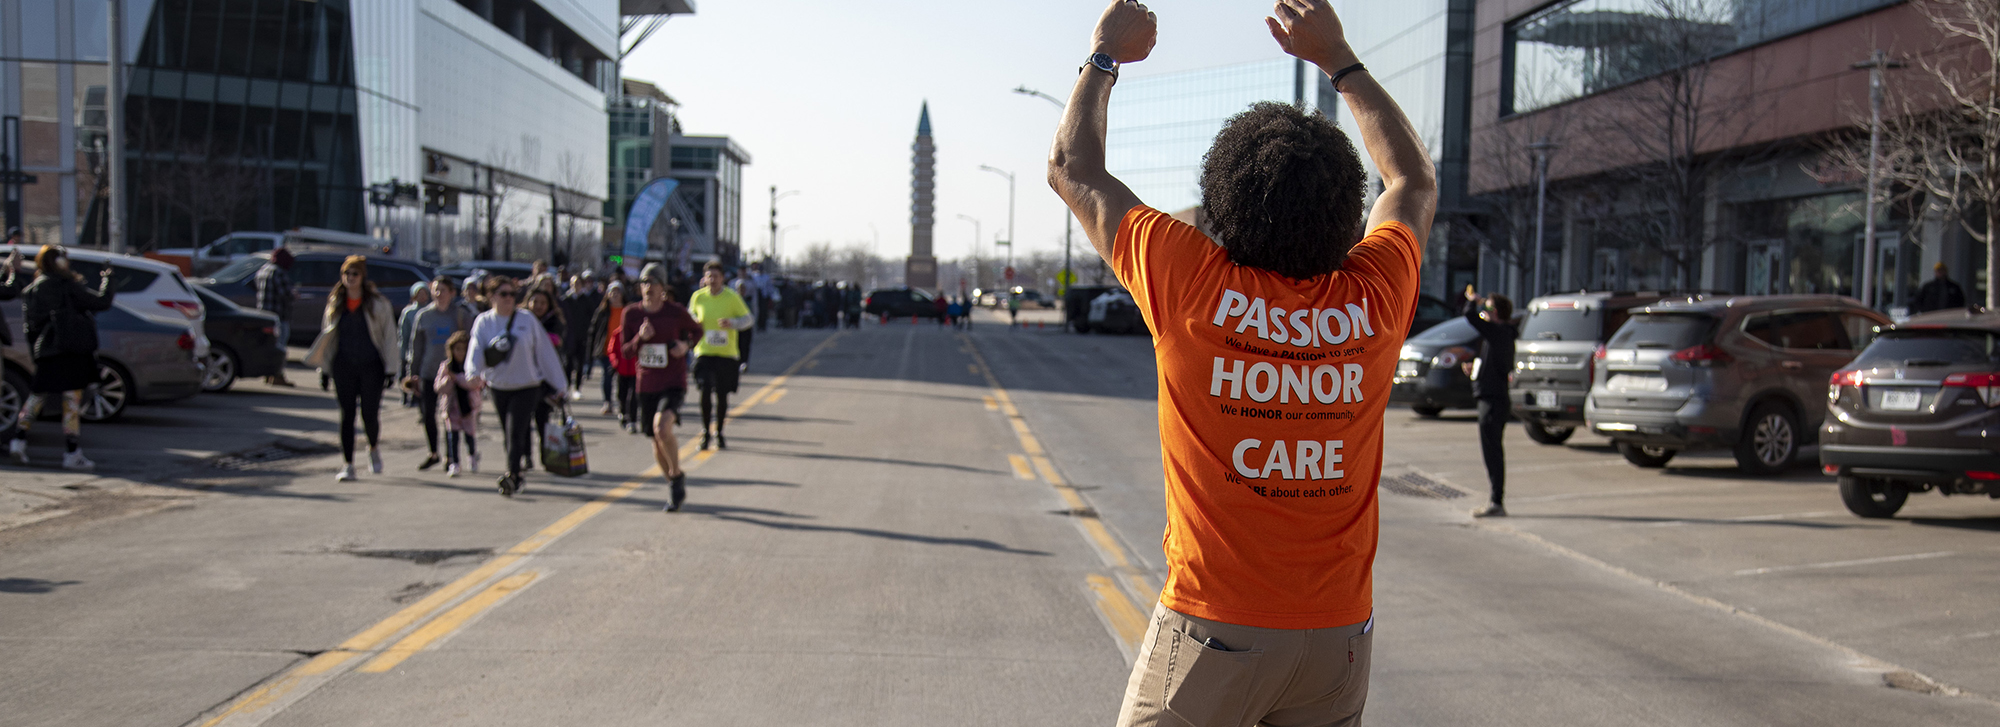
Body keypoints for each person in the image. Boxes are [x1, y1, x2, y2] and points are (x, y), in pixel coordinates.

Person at [1047, 1, 1435, 723]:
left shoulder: (1190, 278)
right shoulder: (1375, 297)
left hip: (1212, 631)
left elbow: (1073, 168)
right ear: (1345, 212)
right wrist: (1339, 59)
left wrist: (1104, 56)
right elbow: (1411, 180)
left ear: (1224, 207)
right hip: (1337, 640)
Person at [6, 246, 115, 470]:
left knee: (36, 397)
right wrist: (108, 280)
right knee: (72, 401)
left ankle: (18, 441)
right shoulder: (66, 285)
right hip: (71, 350)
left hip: (46, 351)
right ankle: (72, 451)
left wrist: (36, 351)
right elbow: (101, 302)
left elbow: (30, 327)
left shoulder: (34, 288)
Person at [465, 276, 566, 497]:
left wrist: (560, 384)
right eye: (504, 294)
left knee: (515, 430)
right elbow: (476, 348)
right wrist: (473, 373)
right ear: (492, 297)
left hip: (527, 386)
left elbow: (545, 354)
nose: (509, 299)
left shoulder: (527, 320)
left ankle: (512, 474)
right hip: (499, 386)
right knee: (509, 433)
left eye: (512, 294)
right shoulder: (484, 321)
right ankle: (517, 473)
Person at [304, 256, 400, 482]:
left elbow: (389, 337)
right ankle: (348, 464)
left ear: (362, 276)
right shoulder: (335, 303)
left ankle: (373, 447)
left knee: (369, 414)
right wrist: (324, 371)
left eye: (354, 274)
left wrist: (391, 369)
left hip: (371, 366)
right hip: (343, 365)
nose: (350, 278)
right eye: (346, 274)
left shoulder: (378, 304)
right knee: (347, 415)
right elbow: (328, 340)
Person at [621, 267, 702, 511]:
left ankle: (675, 473)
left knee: (662, 428)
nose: (648, 287)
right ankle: (675, 481)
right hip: (646, 384)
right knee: (656, 442)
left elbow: (697, 331)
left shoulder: (675, 312)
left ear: (663, 288)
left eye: (653, 282)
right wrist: (640, 339)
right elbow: (624, 351)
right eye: (644, 282)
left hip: (673, 381)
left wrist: (685, 345)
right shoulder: (631, 314)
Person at [405, 277, 475, 470]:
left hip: (451, 375)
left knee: (450, 415)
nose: (439, 294)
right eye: (436, 290)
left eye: (443, 290)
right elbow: (416, 347)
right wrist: (413, 373)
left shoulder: (460, 315)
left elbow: (472, 344)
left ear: (452, 293)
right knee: (428, 414)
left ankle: (450, 456)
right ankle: (433, 452)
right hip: (428, 371)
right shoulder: (424, 316)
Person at [687, 260, 754, 450]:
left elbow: (748, 320)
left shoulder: (732, 297)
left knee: (722, 396)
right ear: (705, 278)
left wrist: (732, 323)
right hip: (704, 352)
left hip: (726, 354)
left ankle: (719, 431)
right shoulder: (698, 297)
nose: (713, 280)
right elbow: (689, 315)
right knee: (705, 390)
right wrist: (694, 322)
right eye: (709, 276)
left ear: (723, 278)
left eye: (716, 276)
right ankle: (705, 431)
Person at [1465, 293, 1516, 518]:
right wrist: (1473, 370)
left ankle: (1497, 501)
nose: (1485, 310)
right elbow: (1492, 363)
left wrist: (1473, 301)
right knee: (1491, 450)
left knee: (1493, 451)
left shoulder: (1499, 333)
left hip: (1493, 400)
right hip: (1491, 397)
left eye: (1488, 307)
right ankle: (1495, 498)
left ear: (1495, 312)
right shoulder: (1498, 336)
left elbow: (1469, 315)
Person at [434, 331, 484, 477]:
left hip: (468, 407)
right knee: (452, 436)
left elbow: (475, 383)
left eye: (464, 349)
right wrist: (448, 380)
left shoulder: (472, 366)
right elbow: (438, 387)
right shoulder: (446, 366)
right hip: (451, 408)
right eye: (457, 349)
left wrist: (457, 378)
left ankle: (472, 456)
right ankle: (454, 462)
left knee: (470, 435)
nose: (460, 353)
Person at [254, 248, 298, 386]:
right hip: (279, 315)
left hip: (264, 315)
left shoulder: (263, 270)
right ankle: (277, 375)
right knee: (280, 347)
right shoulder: (278, 272)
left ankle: (269, 374)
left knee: (270, 346)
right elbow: (285, 294)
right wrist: (294, 294)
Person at [589, 282, 633, 418]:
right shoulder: (602, 311)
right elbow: (594, 331)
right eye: (612, 292)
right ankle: (607, 402)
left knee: (621, 379)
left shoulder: (628, 310)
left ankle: (622, 404)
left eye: (617, 292)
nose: (615, 295)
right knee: (607, 376)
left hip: (623, 351)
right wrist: (592, 350)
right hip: (606, 350)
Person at [561, 271, 602, 396]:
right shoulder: (566, 300)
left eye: (578, 283)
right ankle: (567, 387)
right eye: (573, 283)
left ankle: (577, 388)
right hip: (569, 336)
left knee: (579, 363)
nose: (576, 285)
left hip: (582, 336)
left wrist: (589, 330)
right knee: (568, 363)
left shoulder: (586, 300)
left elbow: (592, 317)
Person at [396, 282, 434, 407]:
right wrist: (403, 350)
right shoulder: (408, 312)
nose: (422, 297)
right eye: (419, 294)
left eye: (424, 294)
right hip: (409, 349)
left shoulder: (431, 311)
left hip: (425, 350)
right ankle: (405, 394)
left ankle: (419, 398)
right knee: (406, 373)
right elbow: (404, 333)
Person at [729, 267, 757, 369]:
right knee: (736, 344)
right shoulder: (733, 300)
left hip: (747, 325)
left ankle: (744, 362)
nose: (741, 291)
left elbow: (754, 309)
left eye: (743, 289)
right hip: (735, 324)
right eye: (740, 289)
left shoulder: (748, 300)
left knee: (745, 345)